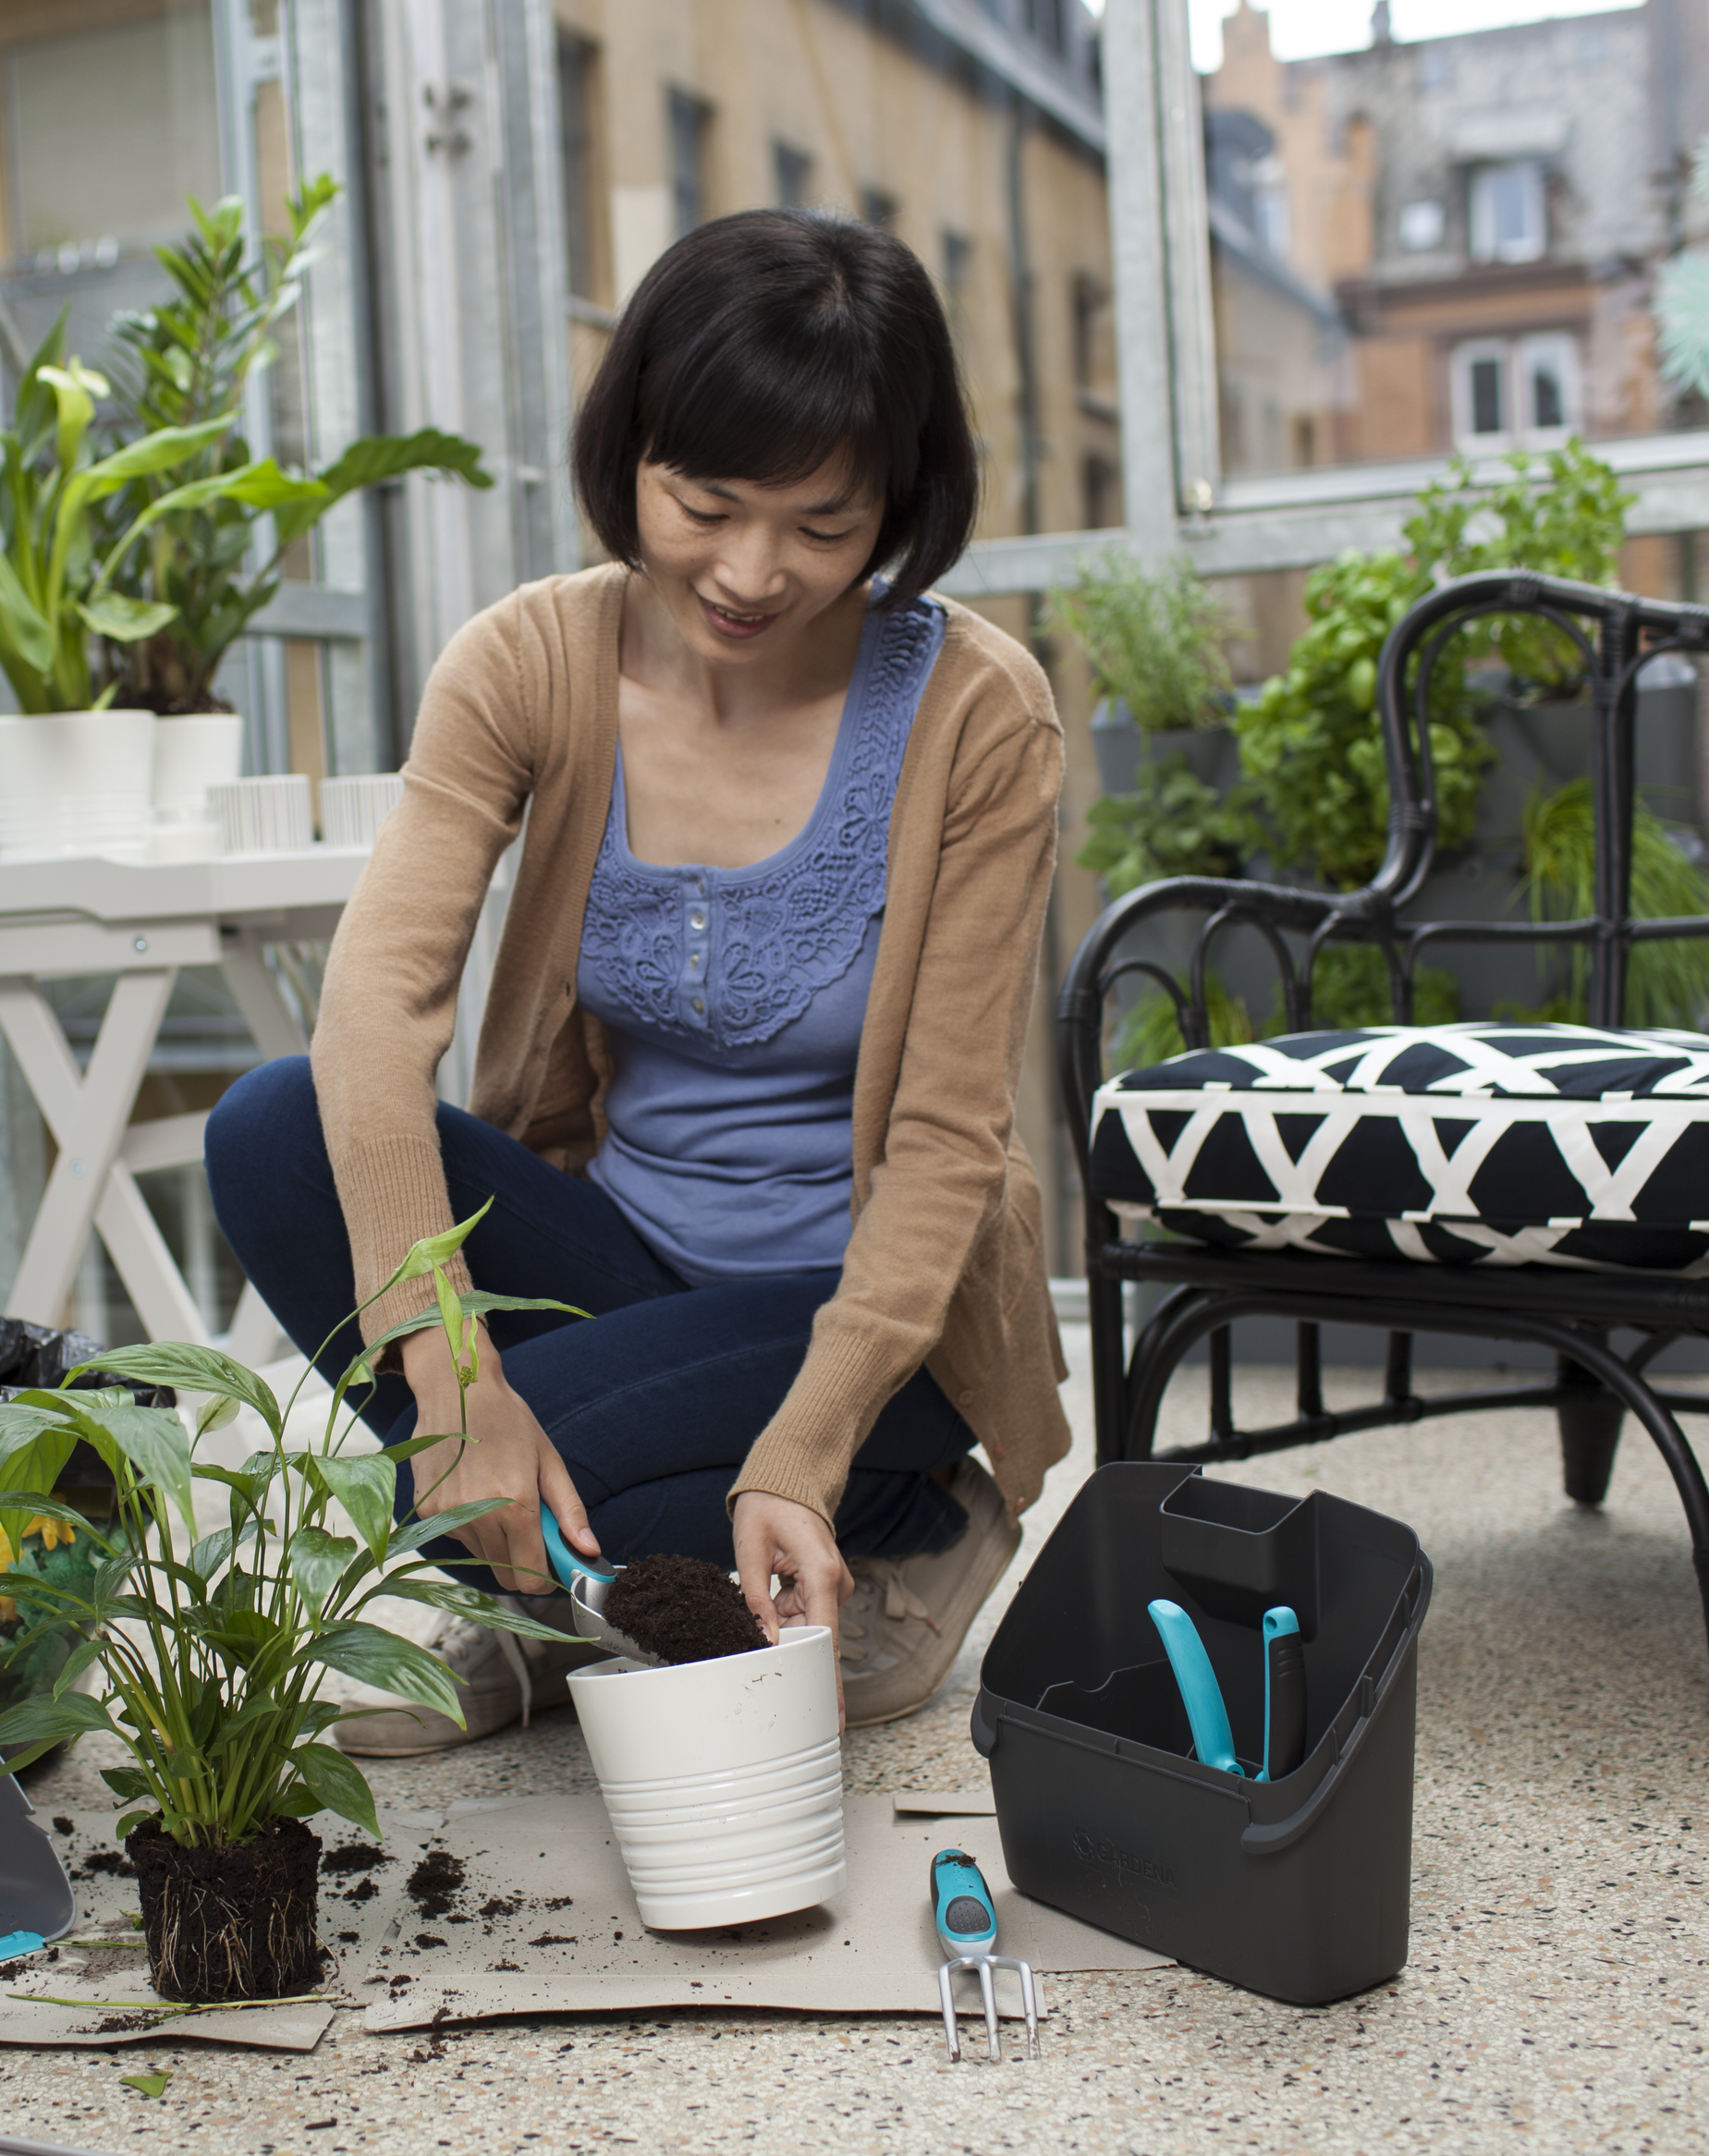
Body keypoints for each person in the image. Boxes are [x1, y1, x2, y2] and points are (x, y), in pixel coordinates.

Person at [204, 206, 1069, 1754]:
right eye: (706, 500)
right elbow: (370, 1018)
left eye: (821, 524)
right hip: (623, 1257)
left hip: (873, 1313)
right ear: (632, 452)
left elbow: (949, 1143)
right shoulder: (528, 662)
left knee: (499, 1471)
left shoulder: (976, 712)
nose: (750, 571)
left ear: (902, 505)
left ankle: (903, 1511)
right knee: (269, 1127)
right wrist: (457, 1377)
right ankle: (572, 1566)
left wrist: (798, 1445)